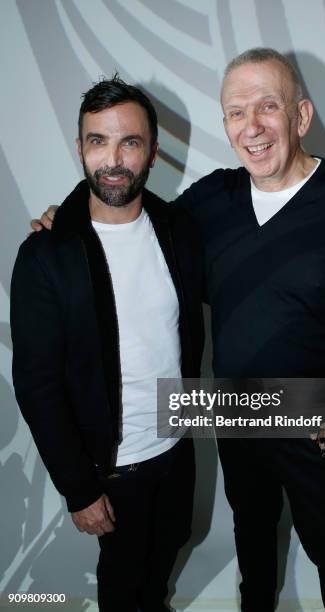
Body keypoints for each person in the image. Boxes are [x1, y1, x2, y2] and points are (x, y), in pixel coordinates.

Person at [32, 49, 325, 611]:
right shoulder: (213, 199)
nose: (251, 126)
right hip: (235, 412)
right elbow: (139, 223)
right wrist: (64, 222)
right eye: (236, 112)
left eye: (267, 107)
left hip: (318, 416)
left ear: (301, 117)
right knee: (253, 550)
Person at [11, 76, 204, 612]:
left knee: (160, 574)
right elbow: (36, 385)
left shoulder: (179, 229)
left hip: (176, 452)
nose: (113, 159)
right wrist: (78, 489)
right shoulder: (48, 255)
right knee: (122, 591)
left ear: (154, 152)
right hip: (110, 475)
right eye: (98, 141)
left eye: (130, 142)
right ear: (80, 148)